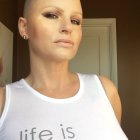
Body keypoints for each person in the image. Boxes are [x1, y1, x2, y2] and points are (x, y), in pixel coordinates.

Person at [0, 0, 128, 139]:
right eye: (51, 15)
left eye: (75, 20)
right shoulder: (3, 101)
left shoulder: (106, 90)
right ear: (24, 27)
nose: (68, 27)